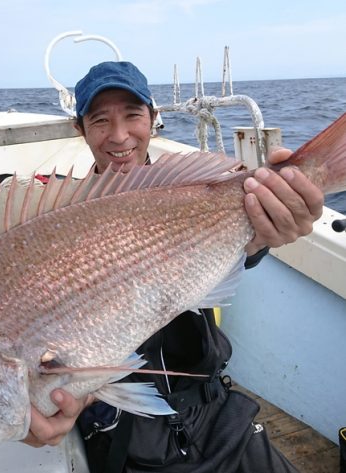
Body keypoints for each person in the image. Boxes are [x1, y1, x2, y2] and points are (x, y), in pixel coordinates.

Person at [23, 61, 324, 472]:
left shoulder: (188, 187)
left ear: (153, 118)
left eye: (133, 115)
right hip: (128, 438)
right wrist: (52, 403)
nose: (119, 135)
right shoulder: (62, 218)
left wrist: (264, 234)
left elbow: (241, 248)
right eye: (100, 120)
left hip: (217, 412)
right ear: (80, 129)